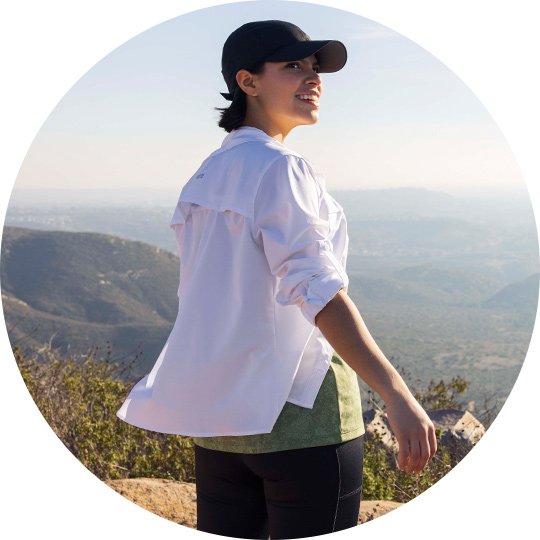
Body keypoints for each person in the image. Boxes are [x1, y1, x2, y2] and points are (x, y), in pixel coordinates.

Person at [117, 20, 437, 539]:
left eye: (314, 68)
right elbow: (317, 292)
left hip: (221, 421)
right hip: (304, 420)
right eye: (293, 66)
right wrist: (398, 396)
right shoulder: (282, 168)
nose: (312, 78)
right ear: (247, 82)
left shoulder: (205, 175)